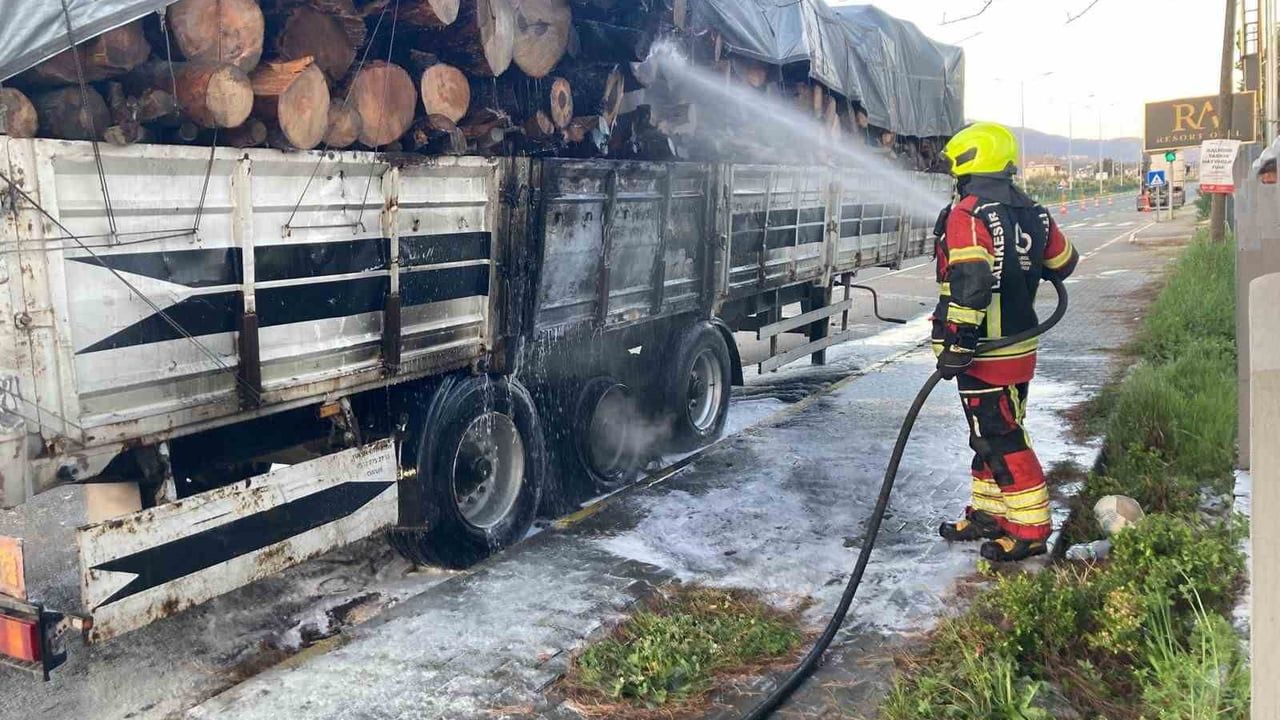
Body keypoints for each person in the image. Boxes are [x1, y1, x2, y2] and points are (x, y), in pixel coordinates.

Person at [931, 122, 1079, 562]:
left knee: (1001, 437)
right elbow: (1064, 263)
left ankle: (1030, 529)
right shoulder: (1035, 211)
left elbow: (971, 283)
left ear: (968, 164)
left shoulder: (969, 214)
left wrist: (957, 345)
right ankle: (990, 515)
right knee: (988, 434)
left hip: (984, 352)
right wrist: (1021, 257)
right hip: (1019, 347)